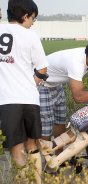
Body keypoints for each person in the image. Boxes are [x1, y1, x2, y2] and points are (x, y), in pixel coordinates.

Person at [0, 0, 48, 183]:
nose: (32, 23)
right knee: (32, 144)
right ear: (24, 16)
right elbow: (42, 68)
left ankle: (24, 181)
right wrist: (31, 83)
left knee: (17, 149)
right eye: (33, 19)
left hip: (7, 100)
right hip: (29, 99)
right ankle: (37, 180)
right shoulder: (30, 36)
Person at [39, 37, 88, 145]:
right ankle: (46, 157)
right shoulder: (76, 62)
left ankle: (58, 157)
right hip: (41, 85)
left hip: (56, 85)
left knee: (60, 122)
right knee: (46, 126)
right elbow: (78, 97)